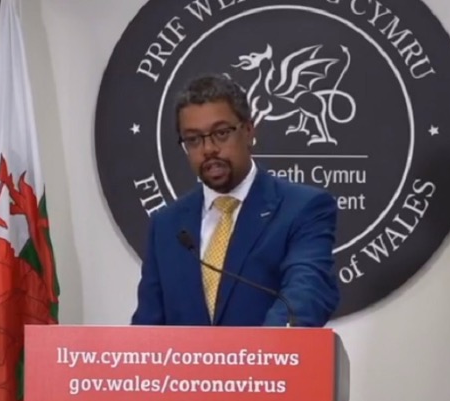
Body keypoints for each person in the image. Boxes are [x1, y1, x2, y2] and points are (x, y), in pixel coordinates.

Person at [130, 74, 341, 327]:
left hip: (268, 352)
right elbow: (148, 327)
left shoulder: (301, 208)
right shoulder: (166, 225)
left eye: (221, 133)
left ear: (249, 131)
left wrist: (257, 350)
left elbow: (306, 294)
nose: (208, 149)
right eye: (193, 139)